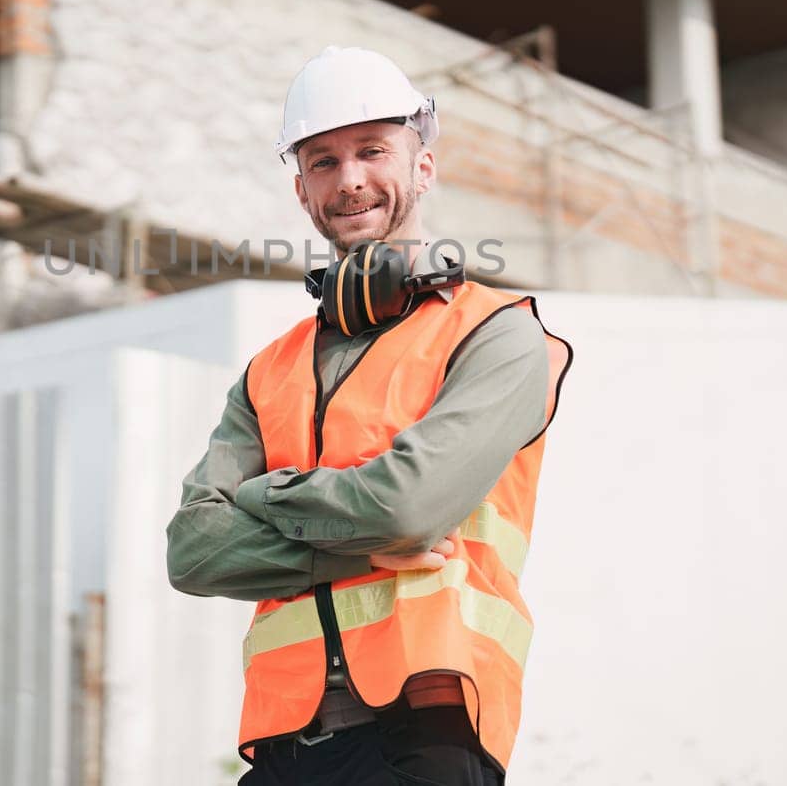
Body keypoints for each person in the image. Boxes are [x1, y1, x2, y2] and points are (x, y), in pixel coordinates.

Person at [166, 46, 572, 785]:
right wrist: (355, 549)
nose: (349, 179)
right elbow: (193, 550)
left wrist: (262, 496)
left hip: (427, 735)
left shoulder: (497, 332)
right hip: (286, 748)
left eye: (372, 151)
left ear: (423, 166)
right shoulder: (270, 369)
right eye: (323, 161)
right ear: (301, 191)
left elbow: (407, 510)